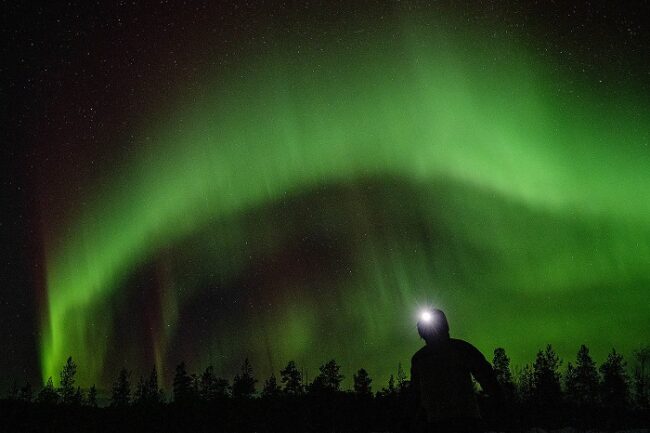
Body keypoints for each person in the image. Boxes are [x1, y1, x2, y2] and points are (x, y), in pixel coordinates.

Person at [410, 309, 502, 433]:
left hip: (454, 421)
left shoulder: (422, 358)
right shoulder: (460, 349)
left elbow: (488, 378)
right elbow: (488, 378)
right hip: (451, 421)